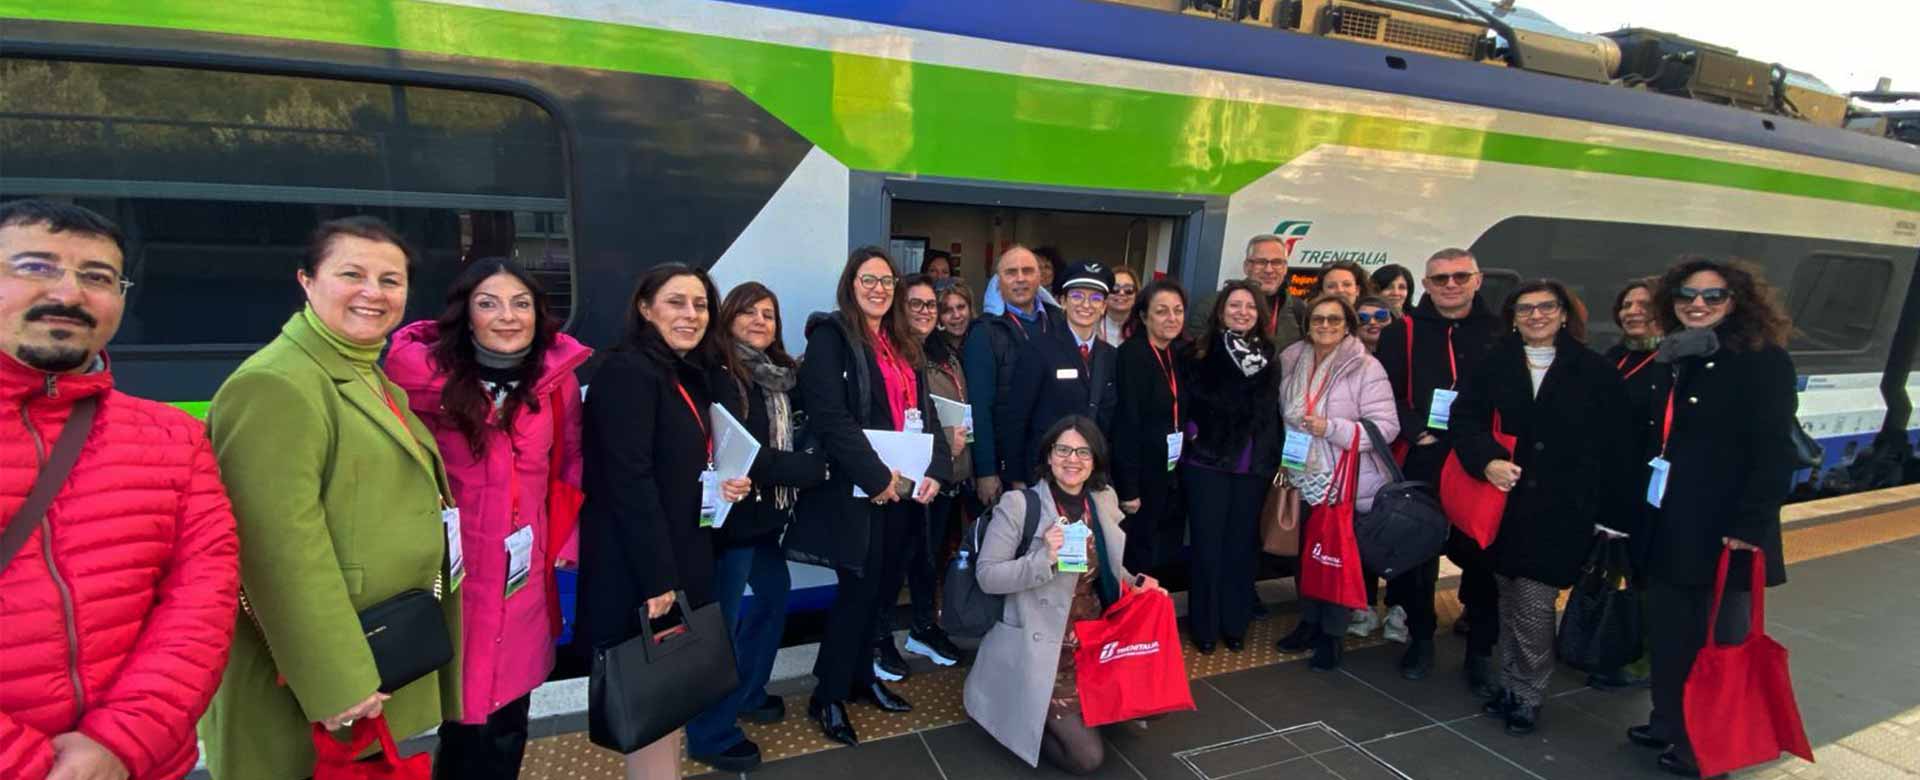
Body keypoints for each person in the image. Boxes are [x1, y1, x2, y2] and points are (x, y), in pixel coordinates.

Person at [204, 216, 461, 779]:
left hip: (372, 658)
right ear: (306, 280)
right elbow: (276, 550)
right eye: (352, 274)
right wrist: (338, 680)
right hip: (316, 683)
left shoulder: (366, 374)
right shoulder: (276, 384)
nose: (374, 292)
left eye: (390, 281)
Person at [0, 200, 239, 780]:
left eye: (97, 277)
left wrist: (118, 744)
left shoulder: (174, 437)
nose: (69, 293)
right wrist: (30, 764)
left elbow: (202, 598)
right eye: (35, 266)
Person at [386, 259, 591, 780]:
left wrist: (566, 541)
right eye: (489, 303)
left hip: (521, 573)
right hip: (449, 575)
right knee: (460, 717)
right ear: (465, 314)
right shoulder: (417, 384)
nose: (507, 316)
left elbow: (569, 458)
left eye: (520, 303)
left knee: (507, 718)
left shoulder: (555, 383)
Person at [573, 263, 752, 779]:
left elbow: (675, 469)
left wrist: (720, 484)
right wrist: (658, 579)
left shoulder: (676, 373)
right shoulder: (629, 372)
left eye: (700, 305)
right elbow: (629, 481)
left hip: (670, 561)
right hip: (643, 573)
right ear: (645, 308)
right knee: (652, 704)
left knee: (668, 700)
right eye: (676, 302)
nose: (691, 314)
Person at [1630, 258, 1797, 778]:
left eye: (1713, 296)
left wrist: (1750, 525)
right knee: (1669, 632)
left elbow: (1775, 451)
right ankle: (1666, 719)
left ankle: (1702, 744)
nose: (1697, 304)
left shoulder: (1761, 361)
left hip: (1722, 531)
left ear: (1736, 301)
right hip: (1666, 522)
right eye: (1686, 294)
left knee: (1711, 641)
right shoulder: (1674, 355)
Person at [1449, 281, 1632, 736]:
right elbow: (1464, 419)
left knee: (1533, 602)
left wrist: (1607, 512)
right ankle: (1512, 684)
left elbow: (1614, 444)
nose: (1535, 315)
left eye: (1546, 307)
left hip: (1560, 509)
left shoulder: (1594, 370)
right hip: (1500, 505)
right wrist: (1487, 459)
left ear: (1565, 314)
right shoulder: (1493, 365)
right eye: (1525, 308)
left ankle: (1528, 693)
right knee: (1508, 599)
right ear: (1512, 316)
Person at [790, 248, 951, 747]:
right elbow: (829, 417)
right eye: (869, 279)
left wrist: (937, 472)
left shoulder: (903, 343)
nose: (879, 288)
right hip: (856, 491)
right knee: (858, 591)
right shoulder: (831, 337)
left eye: (887, 280)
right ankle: (828, 694)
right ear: (850, 283)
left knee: (882, 590)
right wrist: (877, 476)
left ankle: (861, 678)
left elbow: (926, 412)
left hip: (900, 492)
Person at [683, 282, 831, 772]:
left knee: (772, 599)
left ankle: (747, 693)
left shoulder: (781, 375)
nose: (760, 322)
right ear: (728, 319)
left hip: (764, 520)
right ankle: (709, 732)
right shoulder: (722, 375)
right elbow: (747, 454)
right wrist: (812, 469)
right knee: (721, 627)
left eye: (769, 314)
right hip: (730, 523)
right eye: (749, 312)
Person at [962, 415, 1163, 774]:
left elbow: (1110, 566)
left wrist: (1137, 583)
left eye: (1083, 452)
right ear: (1049, 456)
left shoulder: (1102, 499)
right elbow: (988, 576)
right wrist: (1043, 559)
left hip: (1092, 642)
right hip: (1042, 646)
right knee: (1087, 758)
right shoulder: (1020, 505)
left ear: (1096, 460)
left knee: (1147, 710)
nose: (1073, 460)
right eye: (1064, 450)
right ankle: (1015, 712)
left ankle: (1068, 709)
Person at [1375, 248, 1503, 687]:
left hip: (1479, 458)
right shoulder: (1402, 332)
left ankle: (1480, 651)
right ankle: (1422, 638)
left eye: (1460, 276)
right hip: (1426, 457)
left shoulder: (1500, 333)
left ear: (1478, 279)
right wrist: (1415, 431)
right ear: (1426, 285)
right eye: (1440, 278)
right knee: (1418, 554)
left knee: (1483, 554)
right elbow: (1388, 393)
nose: (1451, 285)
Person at [1270, 295, 1398, 671]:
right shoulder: (1293, 359)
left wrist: (1333, 429)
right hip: (1301, 475)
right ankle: (1309, 621)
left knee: (1335, 557)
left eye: (1334, 320)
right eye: (1318, 319)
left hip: (1344, 480)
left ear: (1347, 325)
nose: (1325, 326)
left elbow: (1386, 430)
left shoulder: (1365, 366)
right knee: (1305, 558)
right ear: (1308, 324)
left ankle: (1332, 634)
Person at [870, 275, 967, 680]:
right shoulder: (887, 354)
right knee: (891, 564)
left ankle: (923, 628)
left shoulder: (943, 351)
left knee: (927, 559)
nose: (927, 312)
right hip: (896, 480)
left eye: (932, 305)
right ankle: (878, 641)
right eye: (917, 304)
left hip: (938, 478)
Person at [1180, 280, 1281, 654]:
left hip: (1252, 468)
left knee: (1241, 548)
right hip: (1206, 464)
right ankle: (1204, 627)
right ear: (1221, 311)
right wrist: (1194, 435)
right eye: (1235, 305)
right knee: (1207, 547)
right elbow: (1185, 406)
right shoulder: (1198, 352)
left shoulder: (1270, 355)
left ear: (1260, 314)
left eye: (1250, 307)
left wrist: (1271, 458)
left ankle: (1234, 623)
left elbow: (1272, 415)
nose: (1242, 312)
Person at [1593, 278, 1666, 690]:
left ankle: (1645, 655)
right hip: (1610, 479)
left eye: (1644, 303)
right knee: (1612, 568)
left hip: (1648, 485)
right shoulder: (1615, 356)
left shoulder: (1671, 361)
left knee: (1645, 573)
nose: (1632, 311)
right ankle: (1607, 639)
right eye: (1626, 303)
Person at [965, 245, 1068, 508]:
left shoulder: (1060, 321)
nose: (1020, 278)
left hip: (1056, 461)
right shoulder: (984, 332)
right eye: (1011, 272)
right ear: (999, 282)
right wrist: (986, 471)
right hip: (1005, 465)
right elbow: (979, 407)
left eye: (1028, 271)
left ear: (1040, 277)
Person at [1002, 261, 1121, 487]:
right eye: (1077, 296)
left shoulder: (1111, 356)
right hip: (1045, 474)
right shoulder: (1038, 349)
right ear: (1063, 302)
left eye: (1095, 299)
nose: (1086, 305)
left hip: (1090, 475)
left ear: (1105, 306)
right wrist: (1017, 477)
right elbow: (1016, 417)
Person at [1112, 278, 1189, 575]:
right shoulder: (1132, 356)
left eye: (1178, 311)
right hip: (1140, 477)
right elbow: (1126, 425)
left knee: (1160, 554)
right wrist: (1129, 489)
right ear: (1143, 316)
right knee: (1136, 555)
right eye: (1162, 311)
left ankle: (1153, 616)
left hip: (1169, 473)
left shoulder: (1179, 355)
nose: (1172, 318)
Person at [1345, 293, 1398, 638]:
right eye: (1363, 318)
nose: (1373, 322)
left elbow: (1389, 424)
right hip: (1351, 467)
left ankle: (1399, 609)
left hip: (1392, 464)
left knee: (1397, 538)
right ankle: (1361, 607)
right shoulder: (1345, 361)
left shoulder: (1403, 358)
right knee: (1358, 538)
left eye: (1381, 315)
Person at [1188, 234, 1306, 347]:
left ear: (1285, 268)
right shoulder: (1213, 304)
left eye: (1277, 262)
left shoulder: (1298, 310)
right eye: (1261, 262)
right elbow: (1196, 352)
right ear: (1247, 267)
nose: (1269, 270)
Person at [1096, 266, 1139, 347]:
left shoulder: (1144, 330)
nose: (1121, 293)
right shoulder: (1090, 327)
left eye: (1128, 289)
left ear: (1136, 295)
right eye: (1115, 288)